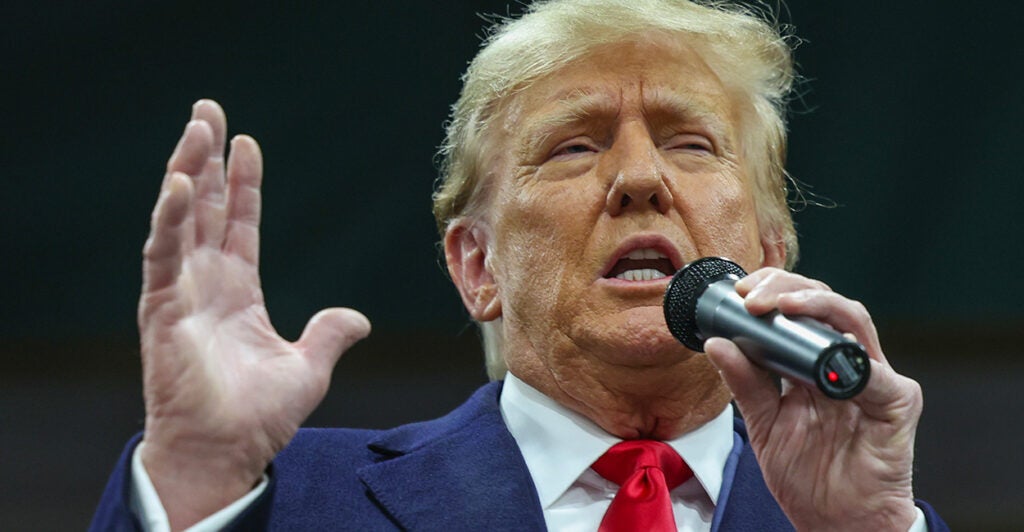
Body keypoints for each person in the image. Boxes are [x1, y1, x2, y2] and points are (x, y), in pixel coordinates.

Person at [92, 0, 949, 530]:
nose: (641, 180)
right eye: (574, 148)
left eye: (690, 143)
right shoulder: (287, 505)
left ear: (768, 251)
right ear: (477, 266)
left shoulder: (860, 519)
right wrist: (196, 479)